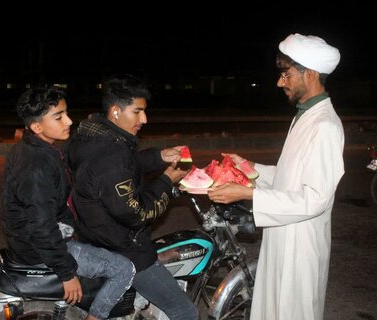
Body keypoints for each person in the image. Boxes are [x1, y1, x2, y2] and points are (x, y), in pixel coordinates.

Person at [208, 33, 344, 320]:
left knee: (293, 310)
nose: (280, 82)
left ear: (311, 74)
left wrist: (248, 194)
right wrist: (249, 168)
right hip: (283, 236)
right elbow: (289, 177)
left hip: (301, 245)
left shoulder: (325, 126)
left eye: (287, 74)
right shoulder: (304, 116)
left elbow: (315, 199)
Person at [65, 74, 200, 319]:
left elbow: (125, 167)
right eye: (137, 112)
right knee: (186, 312)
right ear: (116, 111)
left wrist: (159, 157)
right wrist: (167, 180)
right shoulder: (111, 154)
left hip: (93, 235)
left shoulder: (92, 136)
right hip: (124, 248)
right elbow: (135, 213)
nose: (144, 119)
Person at [0, 87, 135, 320]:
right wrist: (67, 273)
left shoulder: (30, 148)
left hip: (25, 240)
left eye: (66, 113)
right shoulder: (37, 166)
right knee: (124, 269)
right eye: (58, 116)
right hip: (38, 248)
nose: (69, 120)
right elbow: (41, 227)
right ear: (37, 127)